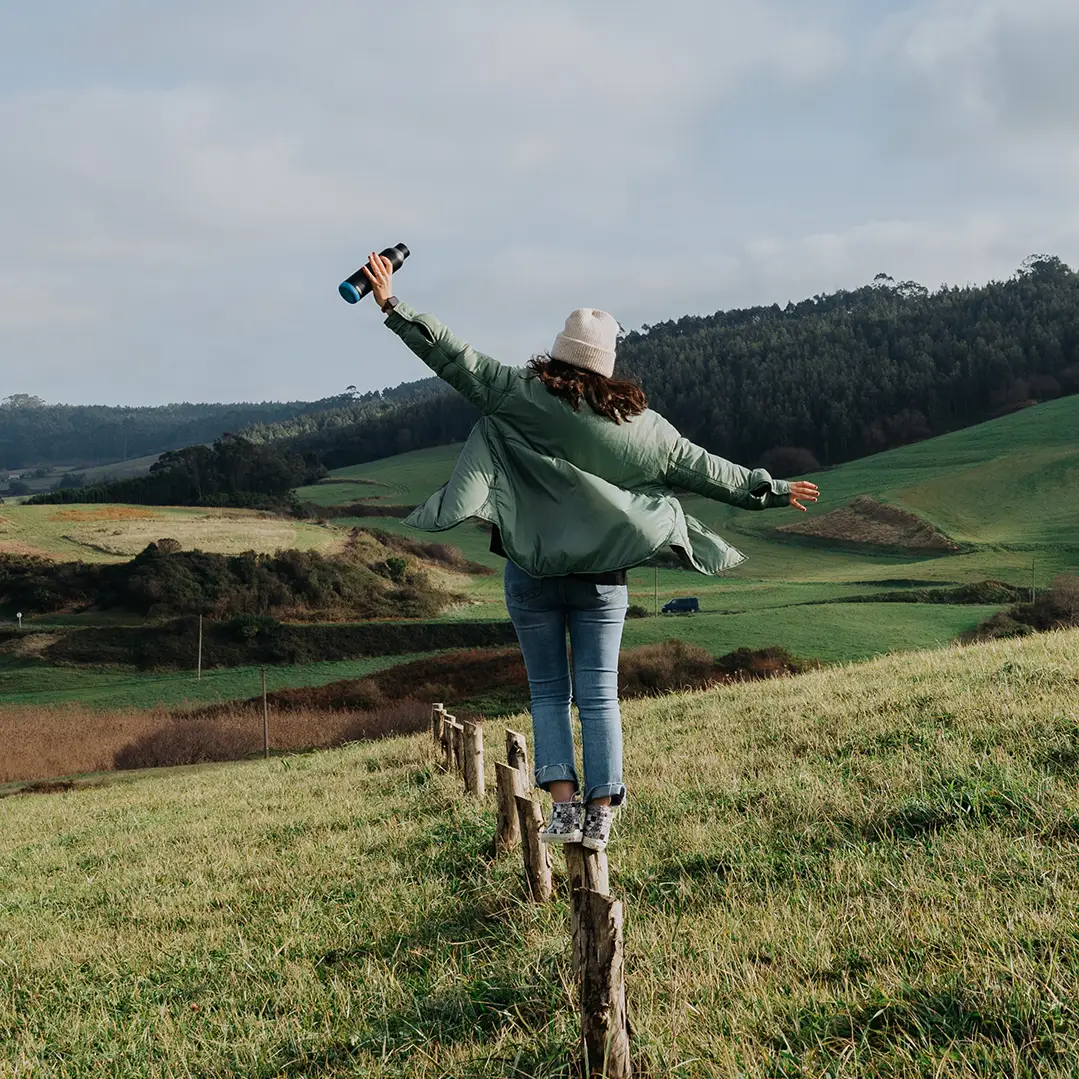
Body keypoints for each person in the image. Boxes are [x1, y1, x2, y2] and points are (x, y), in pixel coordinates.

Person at [361, 253, 819, 851]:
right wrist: (775, 490)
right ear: (608, 365)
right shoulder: (646, 429)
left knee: (549, 691)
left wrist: (393, 304)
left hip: (531, 571)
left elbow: (453, 355)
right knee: (599, 694)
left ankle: (562, 809)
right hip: (604, 580)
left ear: (557, 353)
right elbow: (716, 474)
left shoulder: (518, 395)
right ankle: (601, 812)